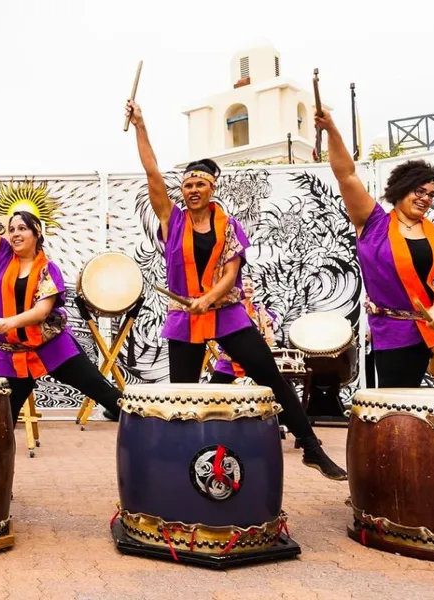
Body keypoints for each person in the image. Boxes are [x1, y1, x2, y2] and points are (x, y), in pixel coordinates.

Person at [126, 100, 346, 480]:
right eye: (188, 184)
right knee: (183, 396)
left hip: (226, 312)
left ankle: (312, 448)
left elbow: (231, 273)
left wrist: (208, 299)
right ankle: (180, 467)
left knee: (272, 378)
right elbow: (151, 172)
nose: (193, 189)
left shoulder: (228, 227)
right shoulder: (171, 219)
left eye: (201, 184)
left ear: (212, 188)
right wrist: (141, 125)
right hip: (184, 317)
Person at [0, 159, 122, 425]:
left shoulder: (48, 270)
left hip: (51, 345)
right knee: (1, 422)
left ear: (36, 232)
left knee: (100, 390)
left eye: (22, 228)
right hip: (11, 354)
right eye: (11, 229)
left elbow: (42, 311)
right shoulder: (2, 255)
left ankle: (142, 424)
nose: (15, 234)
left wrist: (12, 321)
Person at [318, 109, 434, 387]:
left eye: (431, 194)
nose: (426, 199)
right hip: (397, 329)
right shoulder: (373, 225)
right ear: (401, 189)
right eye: (419, 191)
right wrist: (332, 129)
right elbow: (346, 175)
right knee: (398, 407)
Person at [210, 276, 276, 383]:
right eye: (245, 285)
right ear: (239, 288)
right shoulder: (230, 311)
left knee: (278, 382)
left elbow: (270, 337)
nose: (249, 287)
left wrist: (268, 333)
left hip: (255, 359)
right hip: (231, 359)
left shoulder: (261, 312)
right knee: (215, 387)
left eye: (251, 285)